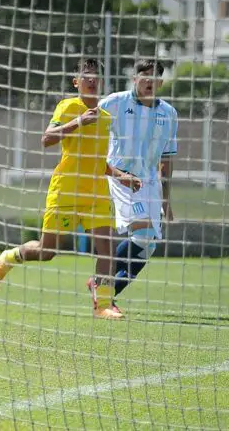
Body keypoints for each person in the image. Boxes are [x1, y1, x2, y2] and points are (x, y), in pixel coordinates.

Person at [0, 58, 140, 319]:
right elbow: (46, 139)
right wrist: (78, 121)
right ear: (76, 81)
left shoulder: (105, 118)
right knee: (48, 252)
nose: (91, 80)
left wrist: (121, 175)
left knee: (108, 249)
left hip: (95, 194)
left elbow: (97, 161)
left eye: (95, 76)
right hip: (66, 190)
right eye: (86, 76)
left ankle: (102, 305)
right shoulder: (69, 107)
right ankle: (10, 256)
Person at [87, 58, 178, 314]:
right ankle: (104, 292)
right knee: (143, 231)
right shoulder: (115, 102)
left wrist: (166, 199)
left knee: (147, 244)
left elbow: (167, 158)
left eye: (155, 76)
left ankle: (104, 289)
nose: (149, 81)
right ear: (134, 78)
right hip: (121, 177)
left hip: (149, 182)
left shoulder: (169, 113)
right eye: (144, 75)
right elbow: (89, 123)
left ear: (161, 81)